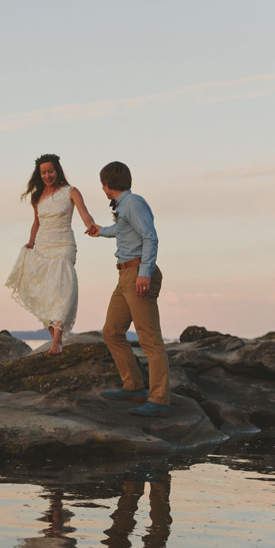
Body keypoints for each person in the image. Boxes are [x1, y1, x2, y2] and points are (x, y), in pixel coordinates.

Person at [86, 160, 169, 416]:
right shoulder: (125, 207)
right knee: (111, 332)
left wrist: (144, 273)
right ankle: (133, 387)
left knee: (150, 339)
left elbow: (149, 236)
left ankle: (159, 401)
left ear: (106, 184)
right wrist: (101, 232)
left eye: (102, 184)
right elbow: (124, 231)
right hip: (124, 276)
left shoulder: (133, 203)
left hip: (137, 274)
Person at [4, 153, 100, 355]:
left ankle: (56, 342)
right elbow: (36, 223)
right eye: (43, 173)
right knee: (43, 292)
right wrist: (31, 242)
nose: (47, 175)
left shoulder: (71, 191)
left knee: (62, 288)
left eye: (50, 171)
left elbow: (84, 212)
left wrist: (90, 225)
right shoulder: (37, 196)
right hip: (42, 245)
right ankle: (56, 338)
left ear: (57, 170)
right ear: (39, 175)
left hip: (63, 244)